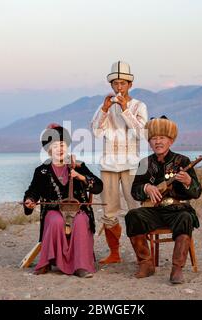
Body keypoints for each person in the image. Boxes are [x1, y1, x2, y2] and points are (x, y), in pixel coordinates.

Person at [125, 116, 202, 284]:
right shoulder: (145, 163)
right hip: (153, 211)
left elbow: (197, 192)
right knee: (133, 215)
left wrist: (188, 181)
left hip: (176, 210)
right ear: (149, 142)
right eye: (154, 138)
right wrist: (146, 188)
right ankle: (146, 264)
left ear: (171, 141)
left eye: (162, 138)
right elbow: (134, 191)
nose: (157, 142)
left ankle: (177, 268)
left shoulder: (182, 161)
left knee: (186, 218)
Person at [22, 124, 103, 278]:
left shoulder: (77, 165)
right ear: (48, 149)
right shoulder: (42, 171)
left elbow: (98, 186)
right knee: (55, 221)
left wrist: (80, 177)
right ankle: (46, 262)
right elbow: (33, 191)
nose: (60, 149)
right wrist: (30, 200)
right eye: (55, 146)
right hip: (53, 210)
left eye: (63, 145)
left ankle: (81, 266)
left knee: (79, 221)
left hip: (78, 210)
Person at [91, 61, 148, 264]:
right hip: (108, 165)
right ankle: (114, 254)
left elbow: (141, 133)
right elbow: (96, 132)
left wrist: (125, 109)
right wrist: (105, 111)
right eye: (115, 83)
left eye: (122, 83)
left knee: (135, 209)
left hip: (132, 165)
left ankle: (142, 255)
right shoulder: (103, 106)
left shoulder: (139, 106)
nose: (119, 87)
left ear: (130, 85)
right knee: (109, 210)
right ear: (112, 85)